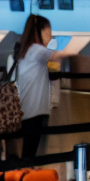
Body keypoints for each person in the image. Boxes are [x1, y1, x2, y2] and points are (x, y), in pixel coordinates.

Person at [11, 14, 55, 159]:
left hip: (26, 109)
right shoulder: (36, 49)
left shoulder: (26, 49)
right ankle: (25, 179)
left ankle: (23, 178)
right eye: (48, 32)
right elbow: (59, 55)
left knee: (27, 152)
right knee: (29, 154)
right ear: (39, 31)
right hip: (34, 111)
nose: (51, 36)